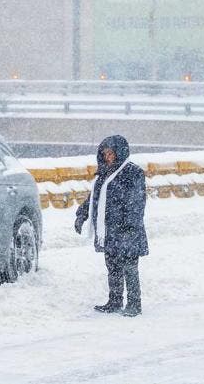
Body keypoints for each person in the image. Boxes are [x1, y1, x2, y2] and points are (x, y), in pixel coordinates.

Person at [75, 135, 148, 317]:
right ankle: (115, 301)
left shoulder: (133, 172)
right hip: (109, 231)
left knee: (130, 268)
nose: (108, 157)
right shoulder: (104, 173)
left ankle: (134, 304)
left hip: (127, 230)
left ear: (120, 152)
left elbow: (137, 202)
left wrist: (129, 225)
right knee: (113, 267)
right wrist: (81, 215)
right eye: (105, 154)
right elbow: (94, 198)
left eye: (111, 153)